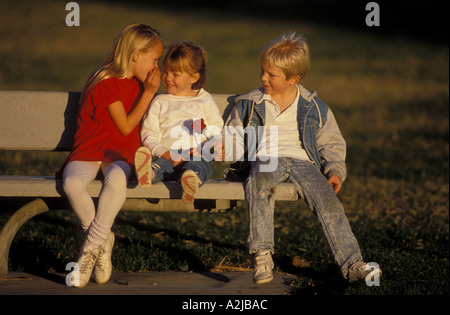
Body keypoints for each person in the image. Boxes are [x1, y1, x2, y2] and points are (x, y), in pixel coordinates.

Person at [221, 33, 382, 284]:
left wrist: (335, 170)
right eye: (262, 71)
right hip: (266, 158)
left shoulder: (314, 107)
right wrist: (226, 149)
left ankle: (353, 264)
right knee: (261, 187)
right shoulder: (249, 103)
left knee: (329, 204)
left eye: (271, 75)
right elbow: (231, 135)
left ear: (293, 79)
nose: (263, 78)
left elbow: (330, 142)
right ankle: (262, 255)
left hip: (304, 162)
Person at [59, 23, 164, 288]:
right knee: (72, 183)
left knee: (117, 180)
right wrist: (150, 92)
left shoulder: (139, 85)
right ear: (135, 54)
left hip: (121, 152)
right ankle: (102, 241)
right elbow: (126, 125)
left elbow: (133, 131)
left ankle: (89, 250)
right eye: (154, 59)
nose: (156, 67)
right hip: (90, 148)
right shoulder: (105, 80)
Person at [136, 41, 223, 203]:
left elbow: (216, 128)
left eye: (175, 75)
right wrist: (163, 152)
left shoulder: (204, 99)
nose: (168, 78)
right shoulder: (160, 101)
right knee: (161, 165)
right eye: (166, 72)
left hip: (196, 155)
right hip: (169, 156)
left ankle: (190, 180)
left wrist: (204, 139)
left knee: (200, 165)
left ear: (193, 77)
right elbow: (149, 132)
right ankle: (149, 173)